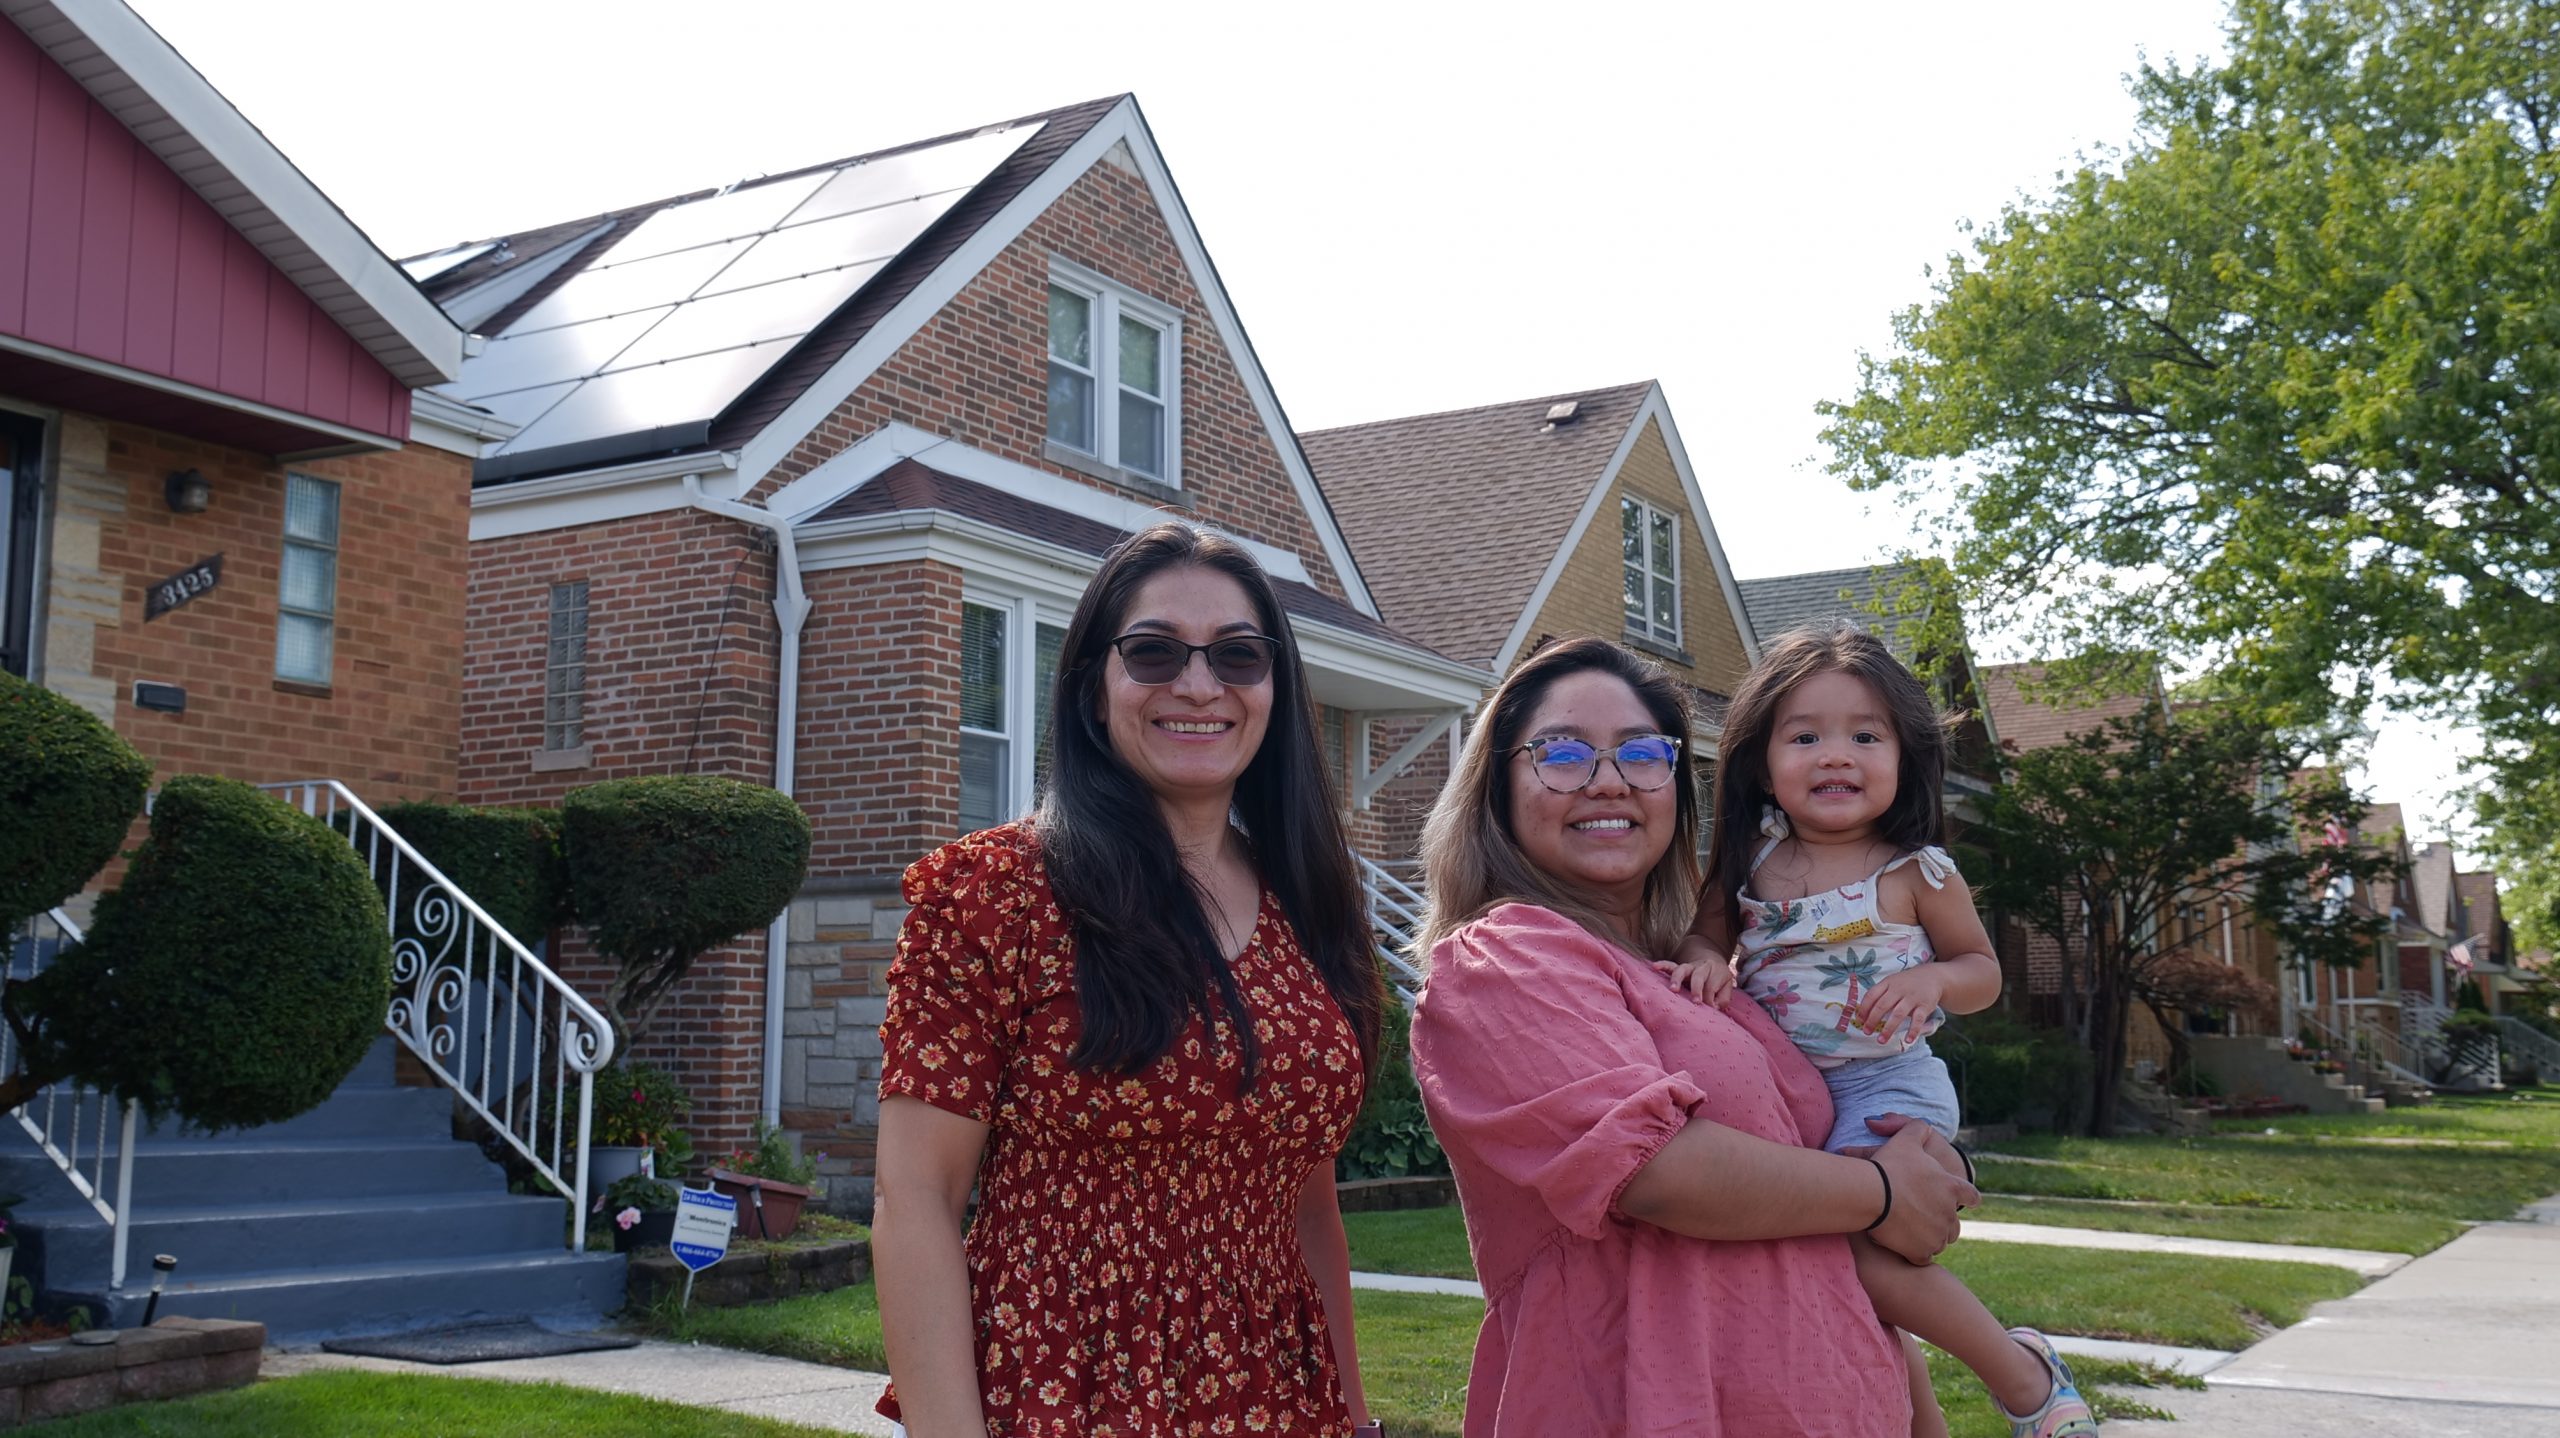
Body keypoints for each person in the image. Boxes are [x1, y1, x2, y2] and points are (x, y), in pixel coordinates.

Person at [871, 522, 1384, 1437]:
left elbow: (1309, 1200)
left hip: (1277, 1394)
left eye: (1237, 655)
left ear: (1275, 686)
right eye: (1153, 652)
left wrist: (1352, 1414)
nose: (1198, 684)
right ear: (1091, 687)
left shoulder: (1308, 901)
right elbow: (915, 1200)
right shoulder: (995, 893)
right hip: (1067, 1386)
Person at [1409, 636, 1979, 1437]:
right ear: (1498, 789)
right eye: (1562, 753)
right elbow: (1656, 1170)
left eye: (1643, 753)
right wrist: (1886, 1193)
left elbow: (1820, 1208)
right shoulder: (1506, 959)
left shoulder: (1698, 976)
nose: (1609, 778)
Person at [1663, 622, 2097, 1438]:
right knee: (1849, 1273)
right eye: (1806, 736)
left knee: (1859, 1252)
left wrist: (1931, 976)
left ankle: (2025, 1378)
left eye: (1866, 735)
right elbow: (1701, 937)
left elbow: (1981, 973)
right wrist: (1704, 962)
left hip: (1889, 1085)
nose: (1836, 754)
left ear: (1904, 758)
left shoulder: (1916, 871)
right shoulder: (1749, 862)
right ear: (1761, 760)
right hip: (1791, 1097)